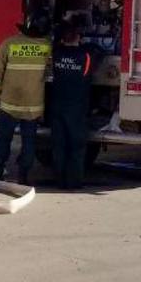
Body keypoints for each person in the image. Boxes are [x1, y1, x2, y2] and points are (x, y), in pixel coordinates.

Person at [0, 9, 52, 184]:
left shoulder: (9, 43)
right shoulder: (47, 46)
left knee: (3, 140)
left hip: (9, 103)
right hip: (33, 106)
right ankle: (23, 175)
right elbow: (50, 72)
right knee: (29, 142)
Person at [49, 14, 93, 189]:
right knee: (76, 146)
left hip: (57, 106)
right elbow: (97, 55)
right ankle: (74, 181)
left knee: (58, 144)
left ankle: (59, 179)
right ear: (79, 37)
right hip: (77, 107)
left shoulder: (56, 54)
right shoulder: (86, 56)